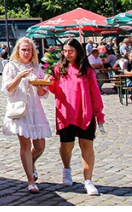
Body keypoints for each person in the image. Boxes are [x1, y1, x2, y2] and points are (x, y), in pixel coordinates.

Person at [45, 38, 105, 196]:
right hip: (65, 114)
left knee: (87, 145)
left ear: (78, 52)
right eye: (64, 51)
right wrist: (49, 82)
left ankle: (88, 180)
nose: (67, 54)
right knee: (66, 146)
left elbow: (95, 95)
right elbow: (55, 90)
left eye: (70, 51)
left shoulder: (87, 71)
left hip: (85, 113)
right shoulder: (58, 70)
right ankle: (67, 169)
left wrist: (99, 114)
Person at [1, 37, 52, 194]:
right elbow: (8, 89)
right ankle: (31, 180)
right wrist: (19, 77)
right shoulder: (11, 67)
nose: (26, 52)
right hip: (20, 109)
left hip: (35, 109)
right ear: (18, 51)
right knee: (25, 145)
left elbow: (43, 93)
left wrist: (42, 85)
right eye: (23, 49)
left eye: (29, 50)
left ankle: (31, 163)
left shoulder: (36, 68)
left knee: (40, 146)